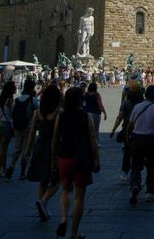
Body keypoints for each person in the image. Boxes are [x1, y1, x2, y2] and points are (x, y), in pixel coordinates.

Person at [52, 86, 99, 239]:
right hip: (81, 158)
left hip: (64, 157)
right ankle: (74, 233)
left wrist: (53, 158)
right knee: (79, 196)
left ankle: (64, 218)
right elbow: (92, 139)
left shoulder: (61, 116)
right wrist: (96, 158)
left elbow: (55, 138)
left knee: (65, 189)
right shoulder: (87, 116)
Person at [25, 84, 62, 221]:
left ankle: (42, 206)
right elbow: (57, 135)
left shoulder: (37, 113)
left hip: (39, 147)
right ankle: (44, 201)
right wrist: (54, 157)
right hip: (53, 147)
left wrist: (27, 150)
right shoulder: (58, 112)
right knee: (56, 181)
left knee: (42, 180)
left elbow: (31, 134)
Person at [127, 84, 154, 205]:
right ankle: (150, 193)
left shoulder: (137, 107)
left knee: (136, 166)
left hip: (137, 139)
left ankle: (135, 186)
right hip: (150, 140)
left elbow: (130, 125)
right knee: (151, 167)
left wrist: (128, 138)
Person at [110, 79, 144, 183]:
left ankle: (125, 173)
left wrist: (113, 129)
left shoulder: (125, 103)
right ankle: (136, 171)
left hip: (127, 130)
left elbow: (119, 117)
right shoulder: (143, 103)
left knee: (127, 152)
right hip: (140, 130)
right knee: (138, 152)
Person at [6, 77, 39, 179]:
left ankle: (11, 165)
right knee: (26, 149)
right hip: (28, 127)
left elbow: (12, 113)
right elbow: (38, 111)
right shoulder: (33, 100)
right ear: (32, 88)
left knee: (17, 148)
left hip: (17, 126)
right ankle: (23, 173)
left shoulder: (17, 99)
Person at [0, 80, 16, 180]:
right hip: (7, 125)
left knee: (3, 148)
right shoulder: (10, 100)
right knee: (3, 150)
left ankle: (4, 169)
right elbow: (12, 114)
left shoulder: (0, 100)